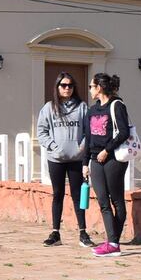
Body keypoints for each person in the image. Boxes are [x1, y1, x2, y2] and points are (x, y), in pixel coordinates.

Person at [36, 71, 93, 247]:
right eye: (63, 85)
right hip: (56, 159)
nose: (67, 88)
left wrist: (81, 147)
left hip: (76, 159)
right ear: (57, 87)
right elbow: (41, 132)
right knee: (57, 195)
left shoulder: (82, 107)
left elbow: (88, 131)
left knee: (78, 196)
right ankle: (55, 234)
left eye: (70, 85)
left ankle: (83, 233)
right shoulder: (49, 107)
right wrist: (54, 147)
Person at [82, 72, 130, 258]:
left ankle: (112, 243)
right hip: (95, 160)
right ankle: (113, 242)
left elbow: (124, 132)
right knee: (103, 201)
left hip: (113, 159)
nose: (90, 90)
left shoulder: (117, 105)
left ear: (99, 87)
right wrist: (85, 163)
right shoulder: (92, 110)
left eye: (91, 86)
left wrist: (107, 150)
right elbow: (88, 138)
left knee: (117, 200)